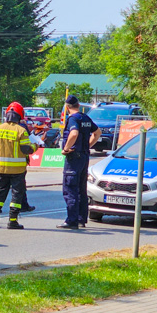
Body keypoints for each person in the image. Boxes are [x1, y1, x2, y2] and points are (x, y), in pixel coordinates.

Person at [58, 95, 101, 230]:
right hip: (84, 157)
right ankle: (81, 218)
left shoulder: (73, 119)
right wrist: (88, 145)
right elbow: (97, 132)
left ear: (67, 107)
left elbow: (74, 133)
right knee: (81, 189)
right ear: (78, 105)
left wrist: (66, 148)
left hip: (73, 158)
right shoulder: (85, 117)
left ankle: (72, 220)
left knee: (70, 188)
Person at [0, 102, 35, 229]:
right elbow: (26, 149)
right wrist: (35, 147)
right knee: (17, 193)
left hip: (2, 168)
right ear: (19, 116)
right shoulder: (21, 131)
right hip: (17, 169)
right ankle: (12, 221)